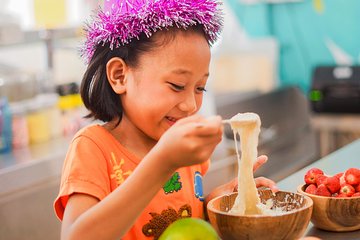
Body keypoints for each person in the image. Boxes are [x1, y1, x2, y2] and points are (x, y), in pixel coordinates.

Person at [53, 1, 278, 239]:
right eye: (177, 85)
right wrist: (163, 162)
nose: (191, 105)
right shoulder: (93, 147)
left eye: (200, 88)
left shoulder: (183, 149)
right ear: (120, 75)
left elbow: (184, 220)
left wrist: (216, 203)